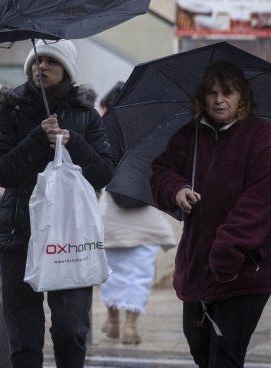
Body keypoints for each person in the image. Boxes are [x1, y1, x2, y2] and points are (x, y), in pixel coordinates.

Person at [150, 60, 271, 368]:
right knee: (200, 348)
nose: (219, 100)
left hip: (246, 265)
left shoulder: (261, 138)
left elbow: (258, 205)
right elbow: (162, 170)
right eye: (212, 93)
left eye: (228, 92)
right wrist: (177, 189)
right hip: (199, 264)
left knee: (225, 355)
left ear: (242, 97)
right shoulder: (190, 136)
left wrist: (225, 252)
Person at [0, 39, 114, 368]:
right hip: (19, 235)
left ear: (67, 70)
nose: (41, 67)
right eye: (36, 61)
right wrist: (36, 138)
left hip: (69, 238)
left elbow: (103, 173)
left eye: (50, 61)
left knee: (72, 330)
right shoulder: (9, 108)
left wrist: (73, 142)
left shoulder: (86, 114)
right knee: (24, 340)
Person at [96, 81, 177, 345]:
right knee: (139, 275)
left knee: (109, 272)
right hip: (145, 215)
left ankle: (113, 321)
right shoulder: (151, 130)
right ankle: (131, 326)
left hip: (112, 216)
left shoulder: (104, 132)